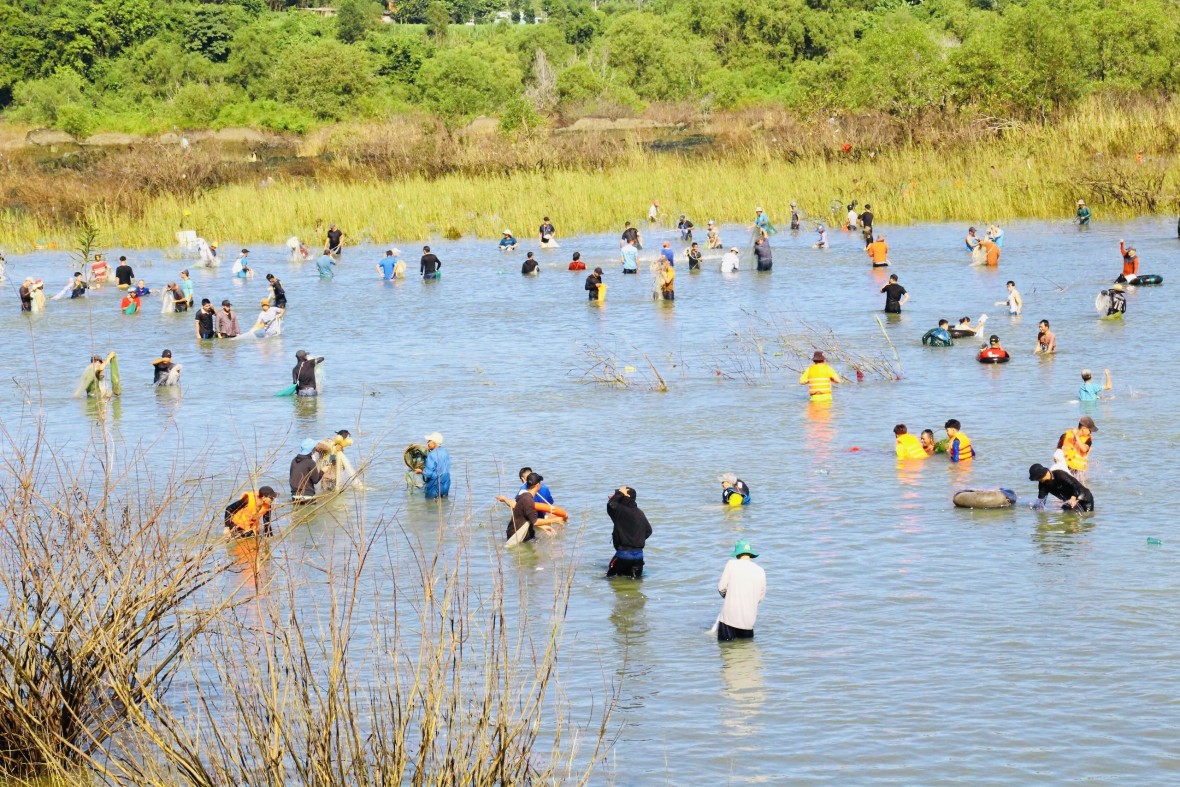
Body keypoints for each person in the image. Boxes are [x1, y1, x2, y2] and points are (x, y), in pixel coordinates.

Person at [715, 539, 766, 642]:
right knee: (746, 649)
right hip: (748, 623)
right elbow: (760, 598)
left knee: (727, 648)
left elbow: (721, 588)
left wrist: (728, 597)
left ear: (737, 554)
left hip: (729, 620)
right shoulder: (760, 571)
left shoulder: (731, 564)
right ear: (750, 554)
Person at [497, 472, 562, 544]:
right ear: (537, 485)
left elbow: (522, 512)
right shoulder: (529, 500)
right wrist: (555, 520)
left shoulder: (523, 495)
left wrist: (543, 527)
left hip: (516, 532)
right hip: (517, 536)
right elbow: (535, 522)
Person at [606, 486, 651, 579]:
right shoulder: (640, 513)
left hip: (623, 556)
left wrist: (618, 494)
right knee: (635, 585)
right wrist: (635, 540)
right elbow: (648, 531)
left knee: (610, 580)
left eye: (618, 494)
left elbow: (610, 505)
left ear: (624, 497)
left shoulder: (620, 511)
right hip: (639, 558)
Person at [1029, 464, 1094, 512]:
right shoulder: (1042, 484)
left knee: (1086, 519)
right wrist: (1032, 509)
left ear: (1042, 475)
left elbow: (1075, 486)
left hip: (1084, 499)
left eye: (1037, 478)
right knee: (1067, 522)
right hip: (1069, 504)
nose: (1036, 480)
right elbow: (1041, 501)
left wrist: (1073, 498)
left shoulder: (1059, 474)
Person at [1058, 416, 1097, 484]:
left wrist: (1076, 436)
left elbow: (1084, 449)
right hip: (1065, 469)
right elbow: (1057, 451)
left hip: (1079, 472)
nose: (1090, 433)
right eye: (1090, 430)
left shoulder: (1088, 439)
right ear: (1084, 428)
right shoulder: (1066, 435)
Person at [416, 432, 451, 499]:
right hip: (446, 482)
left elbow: (428, 474)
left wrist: (420, 471)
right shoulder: (445, 451)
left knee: (430, 503)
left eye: (429, 441)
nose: (427, 443)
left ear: (434, 443)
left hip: (435, 483)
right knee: (443, 501)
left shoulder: (431, 455)